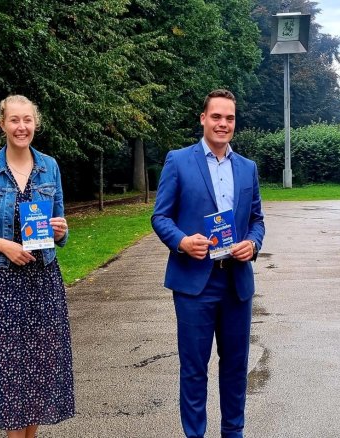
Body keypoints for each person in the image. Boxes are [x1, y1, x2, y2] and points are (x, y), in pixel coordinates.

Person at [151, 89, 265, 438]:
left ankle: (234, 432)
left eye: (229, 118)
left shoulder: (247, 168)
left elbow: (257, 219)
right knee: (194, 369)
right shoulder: (178, 160)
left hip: (235, 283)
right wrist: (182, 242)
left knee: (235, 367)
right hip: (194, 283)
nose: (223, 124)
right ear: (203, 118)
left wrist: (252, 243)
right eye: (216, 116)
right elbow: (160, 217)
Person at [0, 95, 75, 438]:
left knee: (39, 368)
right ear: (2, 124)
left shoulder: (49, 167)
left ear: (35, 124)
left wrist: (62, 229)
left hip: (43, 281)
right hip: (1, 283)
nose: (21, 127)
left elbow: (61, 229)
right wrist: (2, 245)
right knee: (10, 372)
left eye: (27, 120)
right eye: (14, 120)